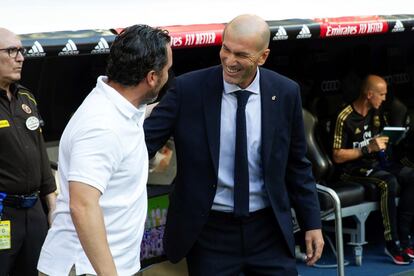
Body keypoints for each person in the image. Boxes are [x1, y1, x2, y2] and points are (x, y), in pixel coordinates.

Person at [144, 14, 324, 275]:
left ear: (263, 57)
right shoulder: (188, 90)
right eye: (225, 49)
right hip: (209, 233)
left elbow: (297, 165)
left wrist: (312, 223)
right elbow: (142, 146)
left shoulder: (285, 93)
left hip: (268, 231)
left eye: (241, 55)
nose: (229, 60)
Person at [37, 25, 172, 276]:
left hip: (114, 265)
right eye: (167, 70)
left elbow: (137, 115)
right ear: (152, 77)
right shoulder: (102, 126)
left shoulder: (121, 107)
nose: (168, 76)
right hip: (88, 269)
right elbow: (83, 206)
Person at [332, 74, 414, 265]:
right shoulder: (344, 117)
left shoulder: (377, 113)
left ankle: (404, 238)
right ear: (369, 94)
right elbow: (337, 156)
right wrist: (367, 148)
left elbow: (380, 140)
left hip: (375, 164)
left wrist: (388, 141)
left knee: (411, 176)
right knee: (388, 182)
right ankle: (391, 243)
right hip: (350, 169)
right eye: (382, 94)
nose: (385, 99)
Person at [0, 28, 57, 276]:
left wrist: (52, 205)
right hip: (3, 213)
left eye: (21, 51)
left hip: (34, 211)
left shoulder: (27, 98)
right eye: (12, 51)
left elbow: (40, 152)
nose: (21, 58)